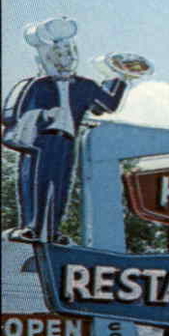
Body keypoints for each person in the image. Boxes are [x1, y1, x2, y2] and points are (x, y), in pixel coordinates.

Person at [1, 17, 135, 243]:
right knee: (35, 181)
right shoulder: (37, 85)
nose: (66, 59)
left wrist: (120, 77)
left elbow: (107, 105)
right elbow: (12, 114)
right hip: (40, 141)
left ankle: (53, 230)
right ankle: (31, 226)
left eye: (69, 54)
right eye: (60, 54)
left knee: (62, 184)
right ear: (48, 57)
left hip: (67, 141)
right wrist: (43, 115)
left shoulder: (84, 86)